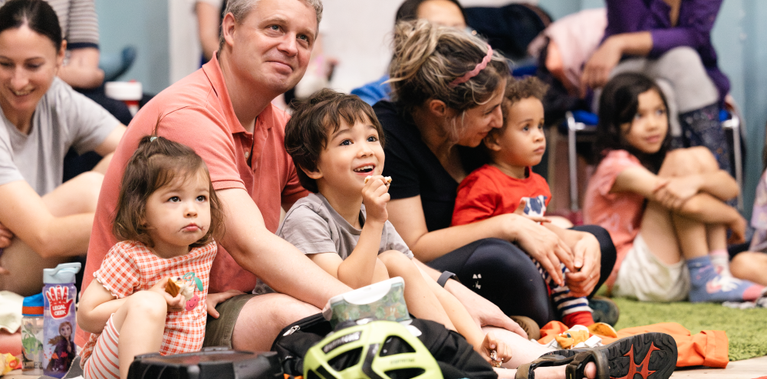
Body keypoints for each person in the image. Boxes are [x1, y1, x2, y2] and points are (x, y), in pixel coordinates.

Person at [77, 0, 357, 354]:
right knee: (301, 319)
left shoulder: (280, 125)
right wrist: (365, 307)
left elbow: (339, 223)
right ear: (229, 29)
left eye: (304, 38)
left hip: (211, 306)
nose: (290, 46)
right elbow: (249, 244)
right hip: (140, 331)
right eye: (275, 28)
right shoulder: (189, 113)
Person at [375, 19, 616, 328]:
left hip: (506, 254)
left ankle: (545, 314)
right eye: (488, 112)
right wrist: (507, 225)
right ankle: (559, 314)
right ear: (440, 109)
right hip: (431, 271)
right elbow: (413, 247)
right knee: (502, 258)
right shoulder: (391, 135)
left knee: (597, 241)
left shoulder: (470, 132)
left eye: (500, 107)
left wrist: (575, 238)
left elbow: (524, 218)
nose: (499, 121)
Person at [280, 88, 512, 366]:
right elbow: (345, 289)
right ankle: (452, 358)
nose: (365, 149)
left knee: (397, 262)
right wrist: (376, 222)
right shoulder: (307, 216)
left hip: (367, 328)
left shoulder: (370, 213)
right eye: (345, 143)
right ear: (311, 165)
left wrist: (476, 340)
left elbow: (425, 285)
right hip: (307, 338)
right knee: (383, 264)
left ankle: (460, 353)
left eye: (371, 138)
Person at [583, 73, 764, 303]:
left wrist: (696, 182)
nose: (653, 124)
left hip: (663, 267)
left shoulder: (649, 159)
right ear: (615, 125)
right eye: (639, 116)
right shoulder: (614, 165)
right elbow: (683, 201)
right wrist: (732, 217)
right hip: (631, 274)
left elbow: (730, 189)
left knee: (700, 155)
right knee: (680, 162)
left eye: (660, 112)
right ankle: (705, 275)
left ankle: (718, 271)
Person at [0, 0, 125, 297]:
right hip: (7, 266)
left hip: (35, 244)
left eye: (33, 65)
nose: (19, 81)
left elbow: (137, 148)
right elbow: (45, 237)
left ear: (59, 57)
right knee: (92, 191)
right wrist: (147, 224)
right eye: (4, 64)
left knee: (123, 165)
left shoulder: (56, 96)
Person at [452, 77, 595, 328]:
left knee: (567, 259)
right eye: (526, 128)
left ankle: (583, 324)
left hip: (539, 265)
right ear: (494, 140)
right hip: (500, 276)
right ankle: (532, 321)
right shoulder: (482, 183)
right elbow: (466, 241)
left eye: (540, 126)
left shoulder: (538, 183)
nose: (539, 136)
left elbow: (541, 228)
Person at [77, 136, 223, 379]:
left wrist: (200, 299)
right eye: (174, 199)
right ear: (142, 212)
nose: (192, 209)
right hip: (108, 370)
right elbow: (87, 316)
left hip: (169, 369)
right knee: (149, 304)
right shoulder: (131, 257)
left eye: (201, 197)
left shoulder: (204, 251)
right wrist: (150, 297)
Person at [580, 0, 732, 173]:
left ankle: (703, 180)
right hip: (622, 72)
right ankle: (706, 178)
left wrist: (619, 42)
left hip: (685, 80)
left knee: (672, 79)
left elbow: (696, 35)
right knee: (681, 63)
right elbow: (635, 28)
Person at [350, 0, 467, 106]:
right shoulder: (370, 99)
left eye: (458, 30)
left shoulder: (477, 93)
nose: (453, 41)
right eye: (438, 31)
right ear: (402, 38)